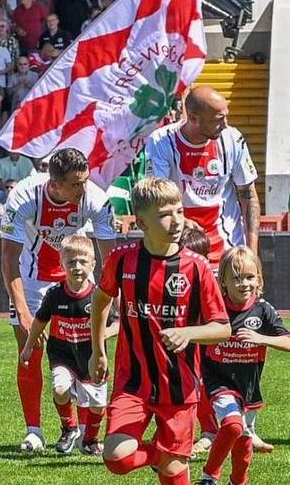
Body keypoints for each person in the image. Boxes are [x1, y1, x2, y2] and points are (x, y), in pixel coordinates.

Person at [92, 177, 230, 485]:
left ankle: (168, 460)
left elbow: (223, 328)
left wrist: (189, 334)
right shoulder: (122, 259)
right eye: (165, 214)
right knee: (117, 458)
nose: (176, 220)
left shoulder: (197, 268)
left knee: (172, 473)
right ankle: (162, 455)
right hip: (133, 382)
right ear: (141, 221)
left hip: (179, 387)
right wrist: (97, 350)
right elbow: (101, 298)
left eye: (179, 211)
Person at [0, 148, 117, 452]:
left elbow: (110, 257)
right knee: (29, 350)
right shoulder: (24, 196)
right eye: (76, 184)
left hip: (76, 275)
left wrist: (114, 299)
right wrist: (24, 311)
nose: (84, 189)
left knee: (84, 350)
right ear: (54, 184)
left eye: (85, 182)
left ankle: (80, 430)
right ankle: (34, 431)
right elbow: (9, 259)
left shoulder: (94, 197)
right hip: (32, 278)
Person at [198, 248, 289, 485]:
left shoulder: (263, 310)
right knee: (232, 425)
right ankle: (209, 476)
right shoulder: (214, 308)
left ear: (259, 279)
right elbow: (195, 336)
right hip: (218, 382)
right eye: (236, 278)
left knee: (243, 436)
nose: (244, 283)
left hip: (248, 386)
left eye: (250, 277)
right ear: (224, 282)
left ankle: (239, 481)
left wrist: (263, 338)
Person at [18, 235, 112, 457]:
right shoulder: (54, 294)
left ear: (93, 264)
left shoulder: (99, 296)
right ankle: (69, 427)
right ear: (61, 264)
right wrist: (28, 347)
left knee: (98, 404)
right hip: (62, 356)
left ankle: (89, 440)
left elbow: (119, 322)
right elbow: (40, 321)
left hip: (91, 357)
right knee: (60, 390)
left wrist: (102, 333)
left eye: (82, 261)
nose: (76, 267)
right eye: (70, 262)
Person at [143, 86, 260, 264]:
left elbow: (248, 195)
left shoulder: (232, 139)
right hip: (180, 249)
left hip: (227, 253)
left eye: (226, 116)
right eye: (219, 119)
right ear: (193, 118)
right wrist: (182, 221)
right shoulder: (161, 141)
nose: (226, 124)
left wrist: (251, 252)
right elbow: (158, 196)